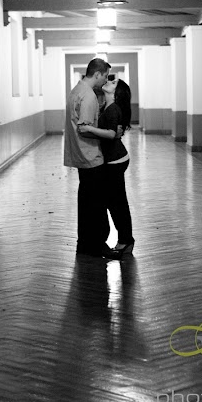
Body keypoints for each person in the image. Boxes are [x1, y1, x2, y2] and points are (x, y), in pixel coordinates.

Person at [64, 58, 122, 260]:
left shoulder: (76, 91)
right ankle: (97, 245)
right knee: (96, 205)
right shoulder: (88, 96)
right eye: (105, 76)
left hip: (80, 155)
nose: (105, 80)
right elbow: (85, 129)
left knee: (87, 203)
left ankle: (85, 244)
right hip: (90, 156)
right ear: (97, 74)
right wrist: (108, 133)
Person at [78, 77, 135, 254]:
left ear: (116, 93)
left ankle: (126, 241)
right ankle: (124, 239)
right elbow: (111, 133)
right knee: (114, 201)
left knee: (117, 203)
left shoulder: (113, 109)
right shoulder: (107, 107)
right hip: (113, 159)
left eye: (113, 83)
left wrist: (88, 129)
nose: (109, 82)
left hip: (115, 161)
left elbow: (111, 134)